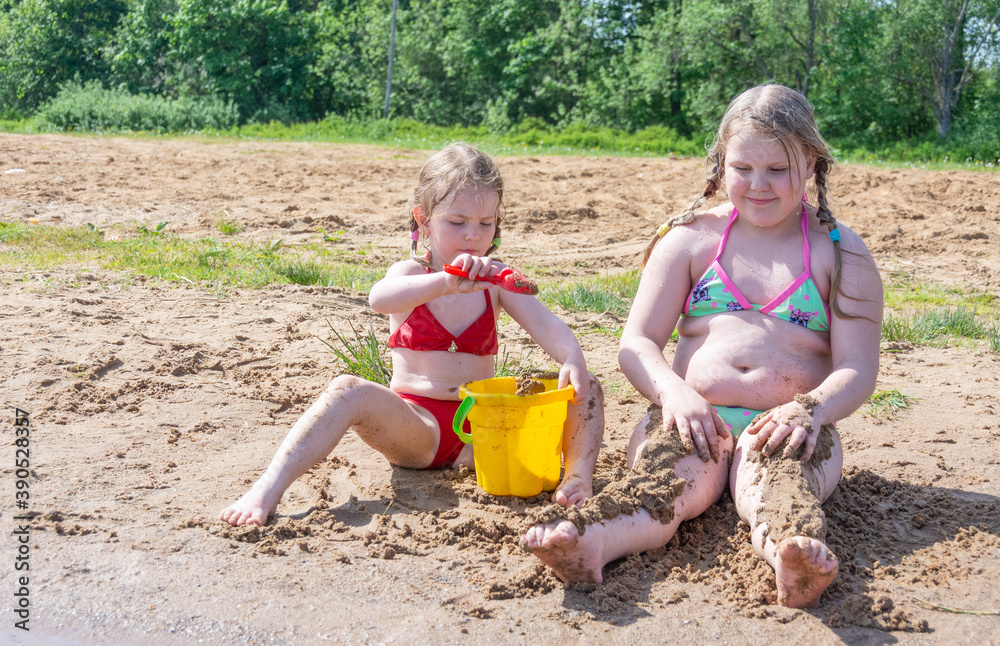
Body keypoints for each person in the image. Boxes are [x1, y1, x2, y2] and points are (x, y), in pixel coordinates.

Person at [521, 84, 883, 609]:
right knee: (664, 485)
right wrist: (672, 392)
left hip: (789, 428)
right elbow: (637, 343)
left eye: (778, 170)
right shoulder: (690, 239)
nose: (758, 185)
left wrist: (810, 410)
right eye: (742, 168)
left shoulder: (841, 252)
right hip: (692, 417)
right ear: (720, 164)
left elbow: (857, 367)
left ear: (811, 162)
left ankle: (791, 554)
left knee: (775, 489)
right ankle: (591, 538)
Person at [221, 143, 605, 527]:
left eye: (486, 223)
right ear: (423, 221)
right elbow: (379, 299)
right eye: (457, 222)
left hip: (486, 433)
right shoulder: (412, 275)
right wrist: (445, 283)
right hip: (418, 426)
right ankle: (267, 489)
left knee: (586, 386)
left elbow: (548, 325)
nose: (473, 236)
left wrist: (571, 354)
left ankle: (576, 479)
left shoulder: (496, 281)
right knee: (346, 390)